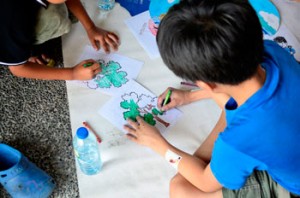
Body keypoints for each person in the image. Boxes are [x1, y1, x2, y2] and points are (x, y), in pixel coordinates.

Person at [123, 0, 300, 197]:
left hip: (291, 184)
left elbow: (204, 183)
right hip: (282, 132)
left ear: (207, 84)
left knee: (180, 187)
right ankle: (219, 165)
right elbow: (231, 90)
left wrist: (158, 144)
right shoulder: (272, 50)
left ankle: (218, 165)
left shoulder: (240, 138)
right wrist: (189, 97)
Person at [0, 0, 120, 80]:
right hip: (7, 29)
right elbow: (18, 69)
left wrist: (90, 27)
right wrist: (73, 74)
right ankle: (24, 51)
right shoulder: (11, 22)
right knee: (56, 19)